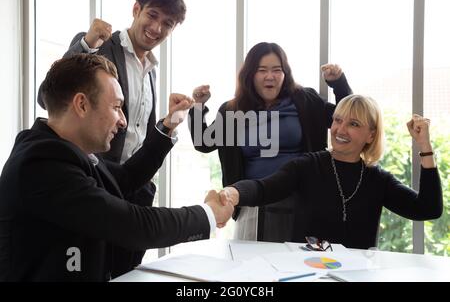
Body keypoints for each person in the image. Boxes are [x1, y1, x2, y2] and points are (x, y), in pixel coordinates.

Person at [0, 54, 233, 281]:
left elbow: (126, 177)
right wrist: (208, 214)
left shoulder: (66, 152)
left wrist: (167, 126)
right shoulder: (41, 165)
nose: (122, 121)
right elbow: (134, 225)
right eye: (117, 107)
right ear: (81, 104)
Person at [37, 0, 188, 274]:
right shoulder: (102, 46)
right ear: (136, 10)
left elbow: (136, 132)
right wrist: (86, 45)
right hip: (98, 183)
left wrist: (169, 122)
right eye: (152, 15)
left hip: (136, 187)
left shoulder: (152, 70)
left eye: (167, 24)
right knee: (94, 269)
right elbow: (47, 97)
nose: (157, 28)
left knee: (129, 272)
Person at [215, 95, 443, 249]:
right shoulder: (306, 166)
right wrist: (233, 193)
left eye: (353, 124)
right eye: (337, 120)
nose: (340, 130)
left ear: (371, 135)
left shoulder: (378, 179)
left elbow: (428, 208)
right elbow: (263, 188)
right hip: (305, 273)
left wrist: (424, 146)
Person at [189, 42, 352, 242]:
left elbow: (347, 118)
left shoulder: (304, 100)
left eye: (277, 70)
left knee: (297, 265)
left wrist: (338, 83)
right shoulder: (233, 111)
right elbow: (203, 143)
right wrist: (198, 106)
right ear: (250, 75)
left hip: (301, 202)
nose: (270, 76)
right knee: (251, 267)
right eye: (262, 70)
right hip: (252, 204)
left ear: (285, 74)